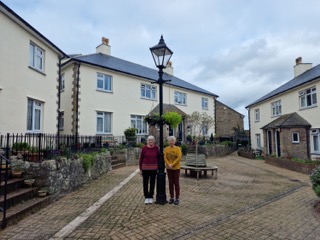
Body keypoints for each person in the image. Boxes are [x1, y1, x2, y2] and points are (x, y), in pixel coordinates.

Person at [139, 135, 159, 204]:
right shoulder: (144, 148)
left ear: (154, 141)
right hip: (145, 169)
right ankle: (146, 197)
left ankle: (151, 196)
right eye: (149, 141)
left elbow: (158, 158)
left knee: (152, 183)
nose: (151, 142)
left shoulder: (156, 148)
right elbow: (141, 159)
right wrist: (140, 169)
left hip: (154, 169)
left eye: (152, 141)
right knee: (145, 183)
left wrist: (159, 167)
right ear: (147, 141)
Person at [164, 136, 182, 205]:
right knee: (170, 183)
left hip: (176, 168)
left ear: (174, 142)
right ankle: (171, 197)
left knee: (176, 183)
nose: (171, 142)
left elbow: (179, 158)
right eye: (170, 141)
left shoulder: (178, 149)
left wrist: (173, 164)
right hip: (169, 168)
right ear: (168, 142)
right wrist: (168, 164)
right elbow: (165, 157)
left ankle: (177, 198)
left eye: (172, 141)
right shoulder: (166, 149)